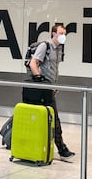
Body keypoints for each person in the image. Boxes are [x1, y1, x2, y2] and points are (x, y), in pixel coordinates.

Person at [28, 22, 75, 159]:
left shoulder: (59, 48)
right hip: (43, 89)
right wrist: (40, 80)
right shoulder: (45, 46)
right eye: (61, 33)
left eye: (64, 34)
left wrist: (54, 86)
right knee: (54, 119)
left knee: (40, 117)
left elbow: (54, 69)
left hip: (50, 88)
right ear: (53, 34)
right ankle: (62, 149)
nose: (63, 36)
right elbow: (33, 63)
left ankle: (15, 139)